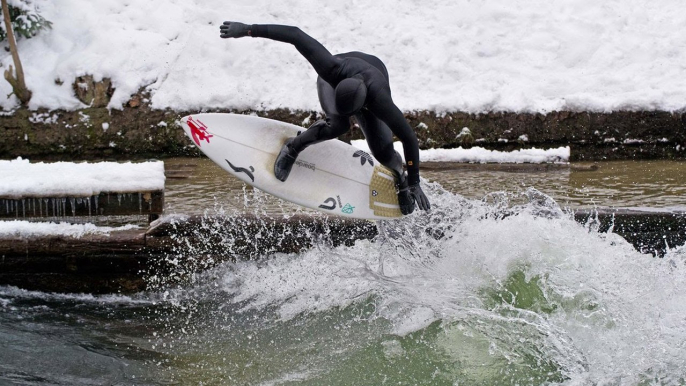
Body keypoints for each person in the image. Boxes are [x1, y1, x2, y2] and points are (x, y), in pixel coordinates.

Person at [220, 22, 430, 215]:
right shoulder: (330, 67)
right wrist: (248, 29)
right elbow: (295, 34)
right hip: (337, 79)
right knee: (337, 125)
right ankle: (293, 147)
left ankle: (399, 178)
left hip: (374, 73)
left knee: (383, 153)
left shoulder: (380, 102)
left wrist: (413, 182)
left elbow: (408, 138)